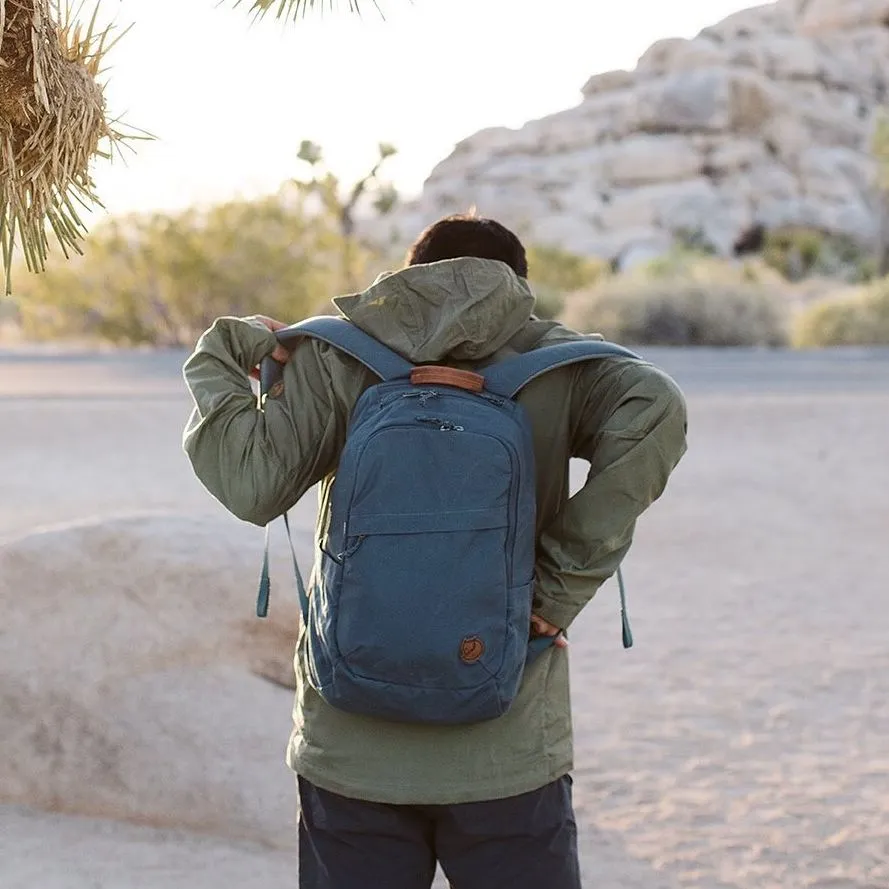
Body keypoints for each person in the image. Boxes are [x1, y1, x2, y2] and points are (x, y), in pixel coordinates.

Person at [183, 214, 687, 889]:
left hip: (351, 742)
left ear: (410, 271)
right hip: (504, 736)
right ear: (517, 283)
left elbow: (250, 487)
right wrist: (555, 593)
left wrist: (226, 350)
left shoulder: (336, 354)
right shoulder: (561, 363)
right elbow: (657, 406)